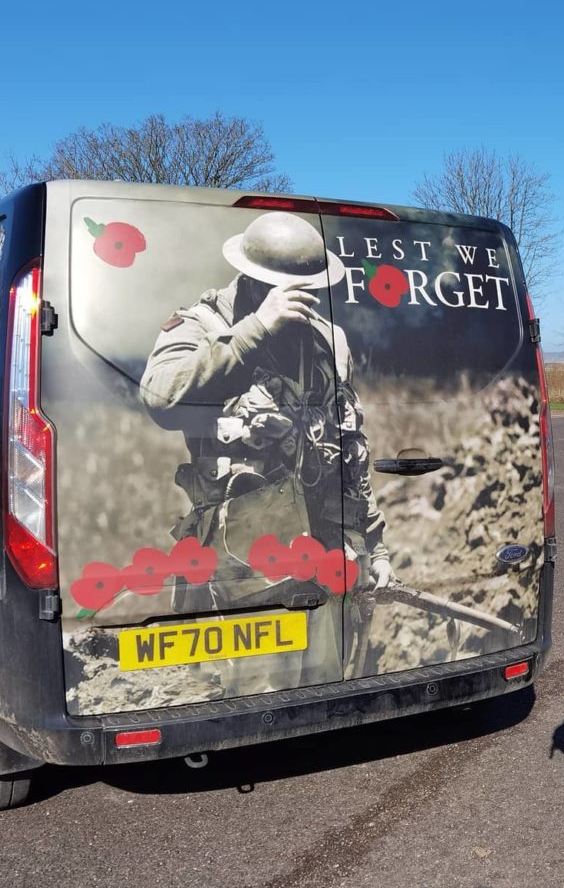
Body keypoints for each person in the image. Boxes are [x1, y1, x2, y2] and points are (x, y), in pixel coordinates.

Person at [140, 210, 392, 624]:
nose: (304, 297)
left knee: (330, 683)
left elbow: (350, 452)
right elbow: (160, 398)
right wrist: (257, 329)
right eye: (291, 287)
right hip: (238, 570)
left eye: (311, 287)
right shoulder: (202, 324)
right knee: (253, 687)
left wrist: (375, 547)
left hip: (323, 568)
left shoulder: (329, 341)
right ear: (254, 278)